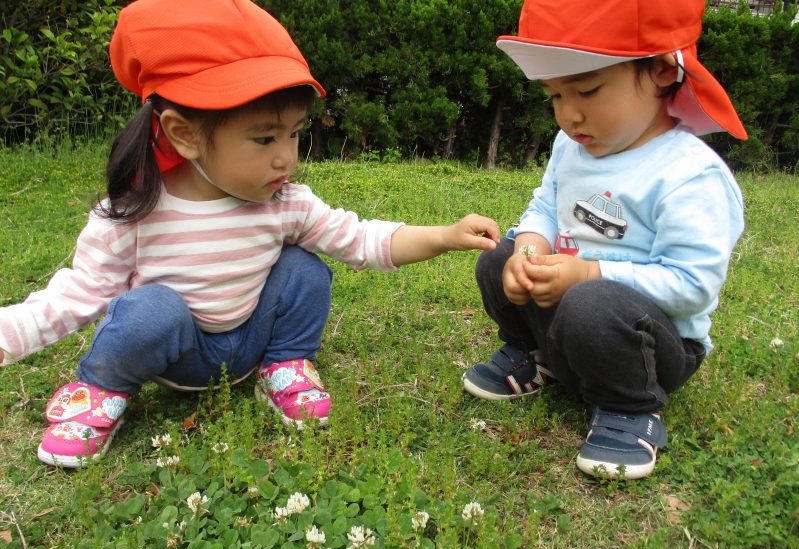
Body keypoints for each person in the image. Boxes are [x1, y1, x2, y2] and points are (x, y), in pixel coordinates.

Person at [0, 0, 500, 468]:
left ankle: (285, 367)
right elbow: (76, 294)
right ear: (185, 134)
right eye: (264, 138)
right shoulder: (135, 213)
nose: (287, 157)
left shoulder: (286, 203)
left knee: (304, 269)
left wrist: (444, 235)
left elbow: (362, 240)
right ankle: (102, 390)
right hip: (182, 357)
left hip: (250, 344)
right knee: (152, 308)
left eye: (293, 133)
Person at [463, 0, 746, 479]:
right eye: (554, 96)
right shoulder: (571, 146)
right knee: (499, 257)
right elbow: (546, 207)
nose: (569, 116)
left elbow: (692, 285)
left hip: (651, 341)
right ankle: (537, 356)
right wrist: (531, 249)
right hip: (570, 313)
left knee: (590, 303)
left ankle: (629, 408)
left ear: (659, 71)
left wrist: (590, 273)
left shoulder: (689, 175)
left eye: (588, 90)